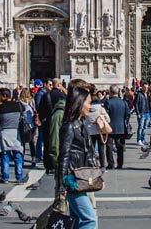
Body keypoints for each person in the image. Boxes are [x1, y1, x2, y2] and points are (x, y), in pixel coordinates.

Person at [57, 80, 98, 229]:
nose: (90, 106)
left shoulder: (80, 124)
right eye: (88, 102)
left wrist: (95, 176)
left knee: (76, 218)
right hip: (72, 179)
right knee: (90, 219)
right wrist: (61, 183)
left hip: (81, 177)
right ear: (80, 103)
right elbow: (64, 155)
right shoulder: (69, 126)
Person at [0, 88, 26, 183]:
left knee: (5, 155)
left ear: (4, 96)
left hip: (4, 133)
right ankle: (19, 177)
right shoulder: (19, 105)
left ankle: (5, 177)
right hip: (16, 132)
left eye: (0, 95)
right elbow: (24, 116)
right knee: (17, 155)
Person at [102, 85, 130, 169]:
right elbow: (128, 113)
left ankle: (111, 163)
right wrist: (123, 120)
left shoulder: (108, 102)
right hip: (120, 127)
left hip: (110, 127)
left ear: (110, 92)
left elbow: (106, 114)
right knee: (120, 146)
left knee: (109, 146)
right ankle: (120, 163)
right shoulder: (123, 102)